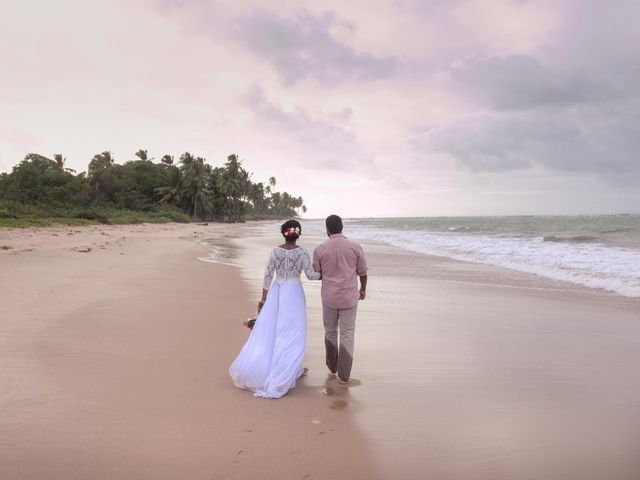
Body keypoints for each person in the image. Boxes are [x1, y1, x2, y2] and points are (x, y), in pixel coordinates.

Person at [229, 220, 321, 398]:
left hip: (277, 292)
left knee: (272, 330)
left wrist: (263, 300)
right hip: (293, 293)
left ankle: (286, 367)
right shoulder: (301, 252)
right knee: (293, 332)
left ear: (283, 233)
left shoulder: (275, 251)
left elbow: (267, 275)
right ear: (298, 234)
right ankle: (289, 369)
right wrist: (324, 273)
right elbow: (311, 275)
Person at [313, 215, 368, 384]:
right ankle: (344, 376)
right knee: (347, 334)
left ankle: (332, 366)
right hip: (349, 298)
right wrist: (363, 289)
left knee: (330, 331)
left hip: (329, 297)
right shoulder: (355, 246)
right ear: (342, 227)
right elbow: (363, 272)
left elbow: (317, 273)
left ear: (327, 229)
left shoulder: (320, 249)